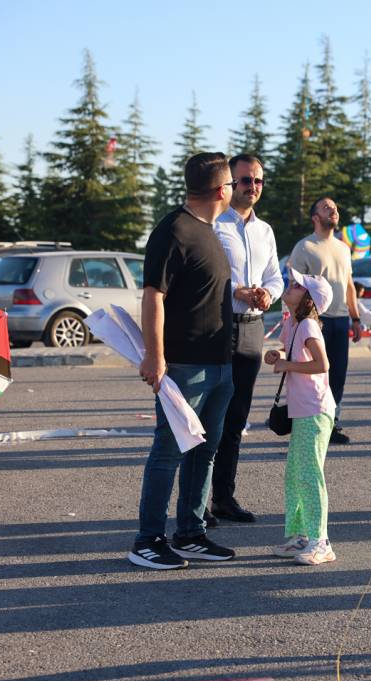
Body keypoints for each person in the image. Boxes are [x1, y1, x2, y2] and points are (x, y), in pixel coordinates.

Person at [129, 153, 237, 570]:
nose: (233, 189)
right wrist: (155, 357)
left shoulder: (210, 230)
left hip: (219, 363)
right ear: (220, 190)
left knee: (205, 450)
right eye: (231, 183)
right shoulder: (173, 230)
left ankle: (191, 533)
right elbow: (153, 295)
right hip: (184, 366)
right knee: (168, 452)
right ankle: (148, 540)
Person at [206, 154, 284, 527]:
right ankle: (196, 503)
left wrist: (268, 293)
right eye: (245, 181)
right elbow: (207, 276)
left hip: (253, 328)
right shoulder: (214, 224)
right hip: (219, 327)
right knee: (208, 419)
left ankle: (224, 498)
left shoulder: (264, 230)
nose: (252, 187)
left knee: (236, 419)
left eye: (258, 181)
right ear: (229, 183)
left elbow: (276, 277)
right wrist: (238, 291)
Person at [265, 269, 338, 566]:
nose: (290, 286)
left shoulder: (308, 326)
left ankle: (322, 542)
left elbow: (323, 364)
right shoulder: (293, 323)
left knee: (310, 476)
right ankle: (302, 536)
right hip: (304, 410)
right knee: (296, 474)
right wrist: (276, 355)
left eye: (297, 285)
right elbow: (287, 352)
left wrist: (287, 366)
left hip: (316, 411)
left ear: (308, 298)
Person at [289, 197, 362, 445]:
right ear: (315, 217)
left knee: (338, 374)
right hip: (314, 321)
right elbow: (294, 287)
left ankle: (331, 422)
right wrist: (294, 323)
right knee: (313, 375)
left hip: (341, 320)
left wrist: (356, 318)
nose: (334, 211)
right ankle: (308, 422)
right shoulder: (304, 247)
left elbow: (349, 284)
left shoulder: (343, 248)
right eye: (326, 208)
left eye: (335, 208)